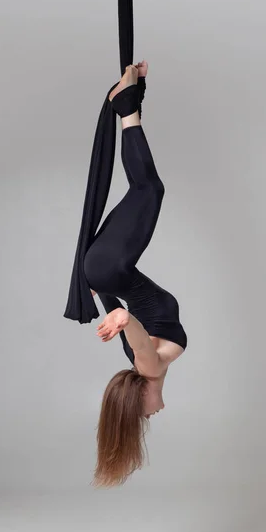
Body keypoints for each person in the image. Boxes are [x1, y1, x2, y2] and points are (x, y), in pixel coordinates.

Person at [84, 61, 187, 487]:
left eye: (143, 414)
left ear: (139, 398)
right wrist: (103, 298)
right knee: (142, 191)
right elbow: (127, 315)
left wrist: (121, 317)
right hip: (106, 271)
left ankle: (127, 107)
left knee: (150, 191)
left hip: (110, 269)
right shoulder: (140, 364)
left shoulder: (150, 366)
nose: (153, 414)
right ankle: (128, 103)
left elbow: (136, 331)